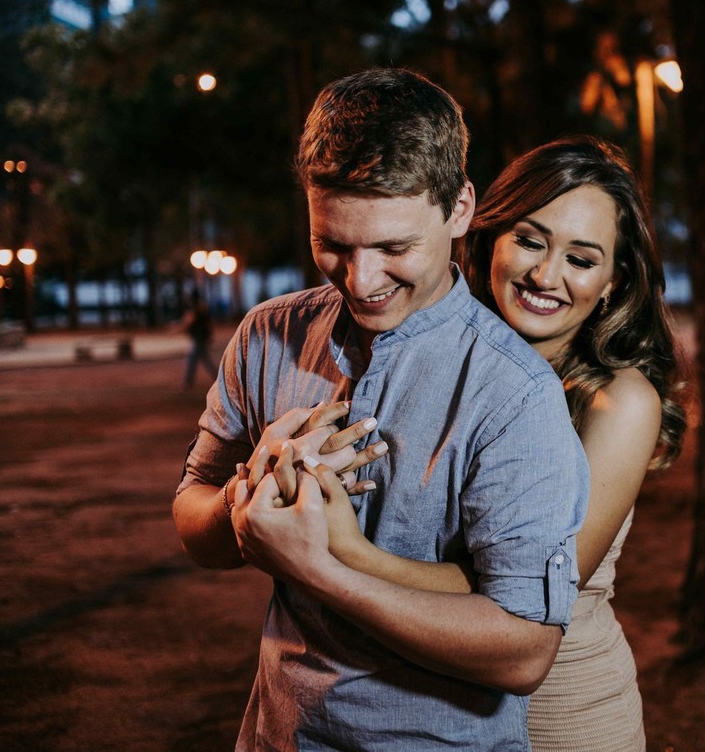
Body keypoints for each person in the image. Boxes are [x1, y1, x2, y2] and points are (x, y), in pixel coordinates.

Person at [172, 68, 590, 751]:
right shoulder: (266, 336)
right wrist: (246, 494)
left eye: (395, 248)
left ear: (459, 210)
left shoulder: (515, 394)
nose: (360, 280)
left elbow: (522, 654)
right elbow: (194, 523)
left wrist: (320, 569)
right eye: (332, 244)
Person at [312, 136, 688, 751]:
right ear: (490, 238)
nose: (546, 275)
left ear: (613, 282)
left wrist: (344, 553)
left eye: (581, 259)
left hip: (560, 716)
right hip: (436, 712)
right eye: (531, 241)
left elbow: (526, 593)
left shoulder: (619, 402)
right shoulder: (442, 360)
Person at [180, 289, 219, 389]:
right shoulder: (203, 308)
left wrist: (180, 329)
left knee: (194, 359)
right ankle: (218, 378)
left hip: (198, 337)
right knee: (204, 359)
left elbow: (189, 322)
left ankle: (188, 382)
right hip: (202, 337)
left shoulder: (195, 308)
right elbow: (208, 323)